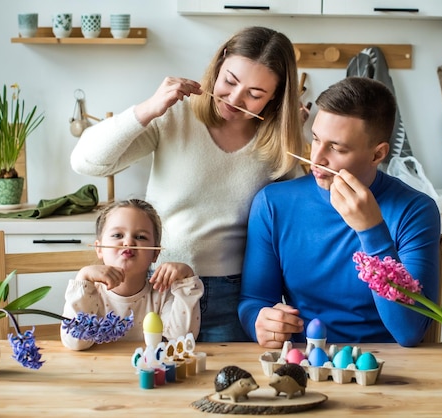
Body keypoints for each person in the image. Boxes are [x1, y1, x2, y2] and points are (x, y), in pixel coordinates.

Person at [70, 26, 304, 342]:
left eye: (255, 94)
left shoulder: (278, 142)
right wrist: (147, 109)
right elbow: (86, 162)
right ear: (218, 65)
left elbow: (302, 216)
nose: (235, 99)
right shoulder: (175, 115)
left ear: (276, 96)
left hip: (234, 297)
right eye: (230, 81)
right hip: (159, 289)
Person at [238, 76, 441, 349]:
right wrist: (259, 322)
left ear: (377, 155)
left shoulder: (415, 211)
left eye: (336, 147)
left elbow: (409, 331)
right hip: (305, 362)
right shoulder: (273, 203)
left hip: (385, 366)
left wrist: (371, 230)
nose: (316, 158)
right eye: (315, 139)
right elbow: (255, 301)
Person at [61, 199, 204, 351]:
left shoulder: (163, 293)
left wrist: (186, 280)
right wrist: (83, 278)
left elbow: (180, 341)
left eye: (141, 237)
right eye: (117, 235)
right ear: (99, 248)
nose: (128, 242)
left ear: (155, 253)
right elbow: (75, 342)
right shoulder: (89, 293)